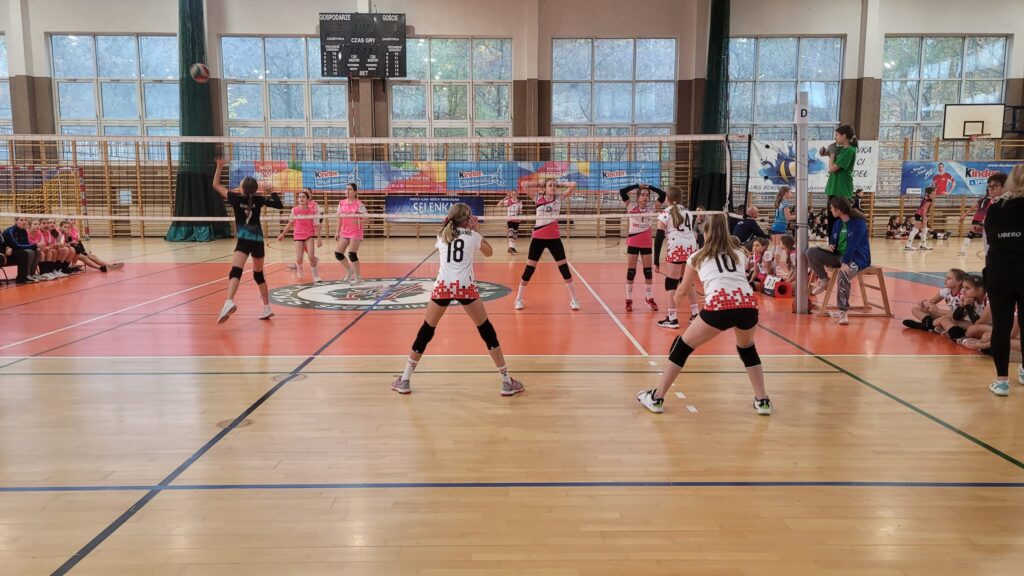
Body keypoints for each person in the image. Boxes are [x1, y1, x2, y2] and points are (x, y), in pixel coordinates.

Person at [636, 213, 772, 416]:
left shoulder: (697, 257)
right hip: (747, 304)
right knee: (747, 349)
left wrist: (675, 300)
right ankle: (763, 401)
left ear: (706, 233)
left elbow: (682, 291)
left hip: (720, 306)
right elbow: (731, 276)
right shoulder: (740, 253)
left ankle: (656, 397)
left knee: (681, 347)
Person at [392, 203, 524, 397]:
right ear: (468, 219)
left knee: (426, 331)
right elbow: (489, 252)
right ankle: (506, 381)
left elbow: (447, 238)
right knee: (486, 330)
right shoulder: (473, 236)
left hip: (443, 286)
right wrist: (477, 231)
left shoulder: (441, 235)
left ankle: (404, 379)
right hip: (465, 286)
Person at [212, 157, 284, 323]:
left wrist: (219, 167)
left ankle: (229, 301)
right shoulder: (259, 199)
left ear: (243, 187)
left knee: (235, 271)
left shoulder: (235, 198)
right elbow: (279, 205)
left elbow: (215, 185)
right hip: (258, 241)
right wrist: (272, 191)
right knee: (258, 275)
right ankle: (266, 307)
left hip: (244, 241)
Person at [982, 164, 1024, 396]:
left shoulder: (997, 207)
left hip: (999, 269)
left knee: (1001, 325)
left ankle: (1002, 381)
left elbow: (990, 239)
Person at [514, 177, 580, 311]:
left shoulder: (559, 198)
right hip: (538, 239)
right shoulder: (538, 197)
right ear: (545, 188)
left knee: (564, 269)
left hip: (554, 239)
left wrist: (559, 183)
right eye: (550, 185)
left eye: (555, 186)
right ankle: (518, 299)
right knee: (529, 270)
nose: (553, 187)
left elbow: (573, 184)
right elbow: (523, 184)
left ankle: (574, 300)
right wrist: (541, 183)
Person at [806, 196, 871, 326]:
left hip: (855, 258)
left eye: (832, 208)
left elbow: (853, 244)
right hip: (838, 256)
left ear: (839, 209)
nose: (830, 210)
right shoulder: (837, 223)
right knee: (811, 252)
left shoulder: (858, 222)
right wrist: (831, 246)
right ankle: (824, 279)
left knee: (843, 274)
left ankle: (843, 311)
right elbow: (834, 241)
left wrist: (845, 263)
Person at [654, 187, 701, 328]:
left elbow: (658, 238)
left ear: (667, 198)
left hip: (676, 248)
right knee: (688, 282)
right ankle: (695, 314)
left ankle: (672, 318)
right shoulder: (688, 212)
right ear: (681, 198)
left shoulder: (665, 213)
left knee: (671, 283)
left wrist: (656, 260)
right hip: (691, 249)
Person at [620, 182, 666, 312]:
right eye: (643, 195)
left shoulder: (652, 207)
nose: (645, 197)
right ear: (638, 196)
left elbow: (663, 194)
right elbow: (622, 191)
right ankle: (628, 300)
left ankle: (649, 298)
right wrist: (637, 186)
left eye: (647, 195)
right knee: (631, 272)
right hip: (633, 242)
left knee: (648, 272)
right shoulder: (631, 205)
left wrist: (649, 187)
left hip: (646, 243)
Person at [277, 189, 323, 283]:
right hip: (298, 235)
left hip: (309, 235)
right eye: (300, 197)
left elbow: (317, 225)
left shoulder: (312, 211)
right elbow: (290, 223)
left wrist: (319, 239)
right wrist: (282, 234)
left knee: (311, 256)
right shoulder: (295, 210)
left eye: (303, 197)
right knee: (299, 258)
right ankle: (299, 268)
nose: (301, 199)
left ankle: (315, 275)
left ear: (307, 199)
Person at [902, 268, 967, 331]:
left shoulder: (964, 294)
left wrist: (937, 310)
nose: (945, 280)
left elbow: (958, 316)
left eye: (949, 278)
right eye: (945, 277)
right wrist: (925, 303)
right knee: (915, 309)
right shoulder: (946, 291)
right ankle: (929, 324)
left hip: (961, 320)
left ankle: (923, 325)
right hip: (947, 316)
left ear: (959, 282)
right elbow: (931, 302)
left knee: (944, 319)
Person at [821, 124, 857, 235]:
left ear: (844, 136)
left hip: (842, 190)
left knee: (838, 222)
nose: (835, 138)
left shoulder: (850, 151)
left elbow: (832, 169)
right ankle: (832, 243)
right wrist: (825, 152)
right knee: (831, 221)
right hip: (833, 189)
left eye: (837, 135)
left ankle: (839, 243)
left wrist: (832, 154)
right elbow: (828, 153)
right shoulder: (841, 149)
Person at [959, 172, 1005, 256]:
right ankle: (963, 250)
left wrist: (964, 215)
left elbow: (972, 208)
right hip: (983, 220)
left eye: (994, 186)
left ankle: (963, 250)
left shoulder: (984, 200)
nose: (991, 189)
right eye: (990, 187)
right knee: (983, 236)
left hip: (979, 219)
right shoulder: (990, 200)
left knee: (972, 234)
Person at [58, 221, 123, 272]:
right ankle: (101, 268)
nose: (67, 228)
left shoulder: (74, 230)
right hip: (70, 251)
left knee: (92, 256)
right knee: (85, 257)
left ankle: (109, 265)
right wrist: (71, 241)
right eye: (65, 227)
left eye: (68, 227)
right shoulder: (62, 233)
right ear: (61, 227)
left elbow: (77, 243)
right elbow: (67, 244)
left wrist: (83, 250)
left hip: (75, 250)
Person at [336, 183, 368, 284]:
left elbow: (367, 219)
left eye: (349, 189)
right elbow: (340, 219)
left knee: (352, 254)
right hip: (344, 231)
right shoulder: (341, 203)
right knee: (338, 253)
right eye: (346, 189)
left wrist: (358, 222)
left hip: (355, 231)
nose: (347, 191)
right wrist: (337, 231)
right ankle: (350, 270)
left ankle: (358, 277)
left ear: (355, 192)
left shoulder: (359, 204)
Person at [3, 217, 41, 284]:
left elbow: (27, 244)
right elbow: (16, 246)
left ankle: (32, 274)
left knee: (37, 251)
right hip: (8, 253)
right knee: (28, 252)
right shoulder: (10, 231)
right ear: (16, 221)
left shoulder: (24, 231)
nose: (24, 221)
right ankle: (24, 276)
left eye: (25, 220)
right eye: (21, 220)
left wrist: (34, 246)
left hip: (18, 250)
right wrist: (34, 245)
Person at [905, 187, 935, 251]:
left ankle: (923, 245)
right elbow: (925, 209)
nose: (935, 192)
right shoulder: (929, 199)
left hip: (920, 214)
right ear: (932, 192)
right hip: (920, 215)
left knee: (925, 230)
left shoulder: (926, 197)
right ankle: (908, 246)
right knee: (915, 230)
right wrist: (924, 218)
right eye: (934, 191)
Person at [497, 189, 523, 254]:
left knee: (515, 235)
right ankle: (510, 248)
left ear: (517, 194)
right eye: (512, 194)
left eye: (515, 194)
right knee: (511, 233)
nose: (514, 195)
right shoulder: (508, 201)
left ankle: (513, 248)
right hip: (510, 219)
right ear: (511, 195)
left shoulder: (519, 202)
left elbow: (520, 211)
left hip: (516, 220)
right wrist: (505, 198)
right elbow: (498, 205)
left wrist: (520, 217)